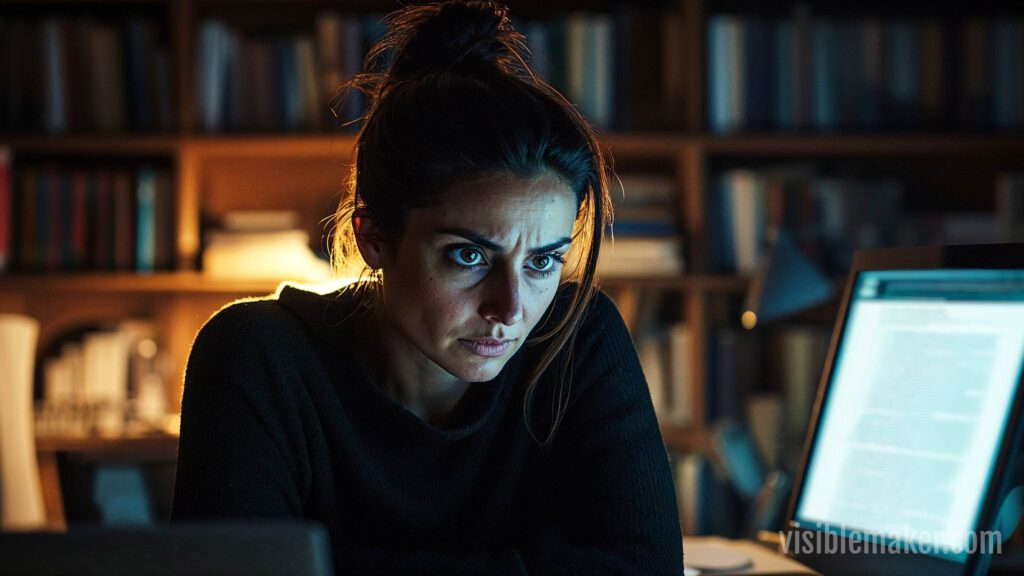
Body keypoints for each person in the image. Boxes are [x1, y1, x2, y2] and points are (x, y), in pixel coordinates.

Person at [171, 1, 684, 574]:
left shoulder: (576, 339)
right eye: (468, 256)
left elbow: (644, 567)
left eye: (543, 262)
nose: (509, 310)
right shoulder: (259, 355)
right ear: (373, 238)